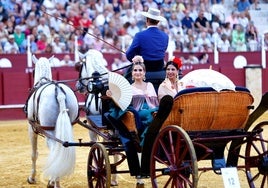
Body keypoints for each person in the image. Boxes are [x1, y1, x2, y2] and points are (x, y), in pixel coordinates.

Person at [106, 60, 159, 186]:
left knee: (156, 113)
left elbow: (156, 103)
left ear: (144, 72)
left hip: (153, 112)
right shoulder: (129, 88)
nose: (138, 72)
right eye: (135, 70)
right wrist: (111, 95)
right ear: (132, 73)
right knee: (151, 117)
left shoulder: (150, 85)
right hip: (138, 115)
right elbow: (122, 103)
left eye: (140, 70)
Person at [125, 8, 169, 72]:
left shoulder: (139, 35)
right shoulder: (165, 36)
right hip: (160, 70)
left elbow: (129, 54)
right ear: (158, 21)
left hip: (143, 70)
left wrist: (135, 59)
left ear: (147, 20)